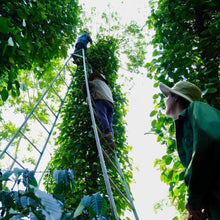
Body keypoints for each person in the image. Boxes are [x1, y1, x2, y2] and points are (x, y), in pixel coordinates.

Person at [159, 81, 220, 220]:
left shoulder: (196, 108)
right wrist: (195, 210)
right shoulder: (187, 124)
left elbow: (210, 141)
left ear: (176, 97)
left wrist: (192, 199)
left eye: (167, 95)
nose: (165, 99)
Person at [82, 72, 115, 153]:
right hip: (111, 103)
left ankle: (107, 132)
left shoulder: (95, 82)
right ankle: (110, 141)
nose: (93, 79)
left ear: (97, 77)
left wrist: (87, 95)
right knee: (109, 122)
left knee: (102, 115)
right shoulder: (107, 86)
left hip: (101, 100)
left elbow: (84, 86)